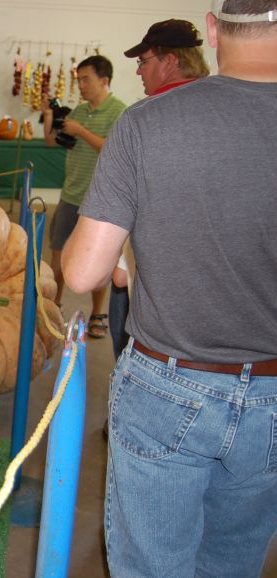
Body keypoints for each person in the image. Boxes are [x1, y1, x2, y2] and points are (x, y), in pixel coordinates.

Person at [62, 2, 277, 576]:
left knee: (153, 563)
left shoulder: (144, 123)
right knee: (234, 561)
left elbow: (82, 274)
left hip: (170, 384)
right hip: (273, 394)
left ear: (211, 29)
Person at [107, 19, 211, 359]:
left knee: (128, 349)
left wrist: (118, 261)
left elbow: (85, 272)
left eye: (143, 62)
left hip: (154, 293)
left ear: (170, 61)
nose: (138, 72)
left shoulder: (141, 120)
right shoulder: (223, 108)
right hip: (214, 298)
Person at [40, 54, 126, 338]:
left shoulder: (119, 113)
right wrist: (50, 116)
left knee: (100, 260)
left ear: (105, 80)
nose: (82, 86)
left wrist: (81, 131)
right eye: (79, 81)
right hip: (71, 193)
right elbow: (52, 142)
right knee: (59, 257)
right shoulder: (78, 111)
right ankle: (54, 308)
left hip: (100, 200)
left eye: (86, 80)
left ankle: (97, 315)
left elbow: (112, 150)